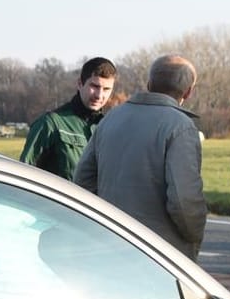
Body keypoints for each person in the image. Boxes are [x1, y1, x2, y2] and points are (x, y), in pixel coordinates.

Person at [74, 54, 207, 259]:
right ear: (188, 92)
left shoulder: (111, 118)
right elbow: (183, 200)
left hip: (109, 241)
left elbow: (83, 179)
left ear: (149, 83)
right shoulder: (180, 126)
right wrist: (193, 238)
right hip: (159, 252)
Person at [20, 56, 116, 180]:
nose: (99, 95)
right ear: (80, 84)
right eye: (94, 86)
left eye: (106, 89)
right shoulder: (50, 124)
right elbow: (25, 174)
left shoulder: (109, 127)